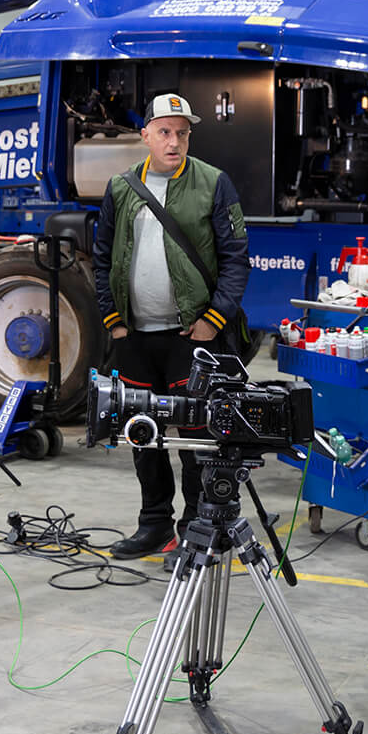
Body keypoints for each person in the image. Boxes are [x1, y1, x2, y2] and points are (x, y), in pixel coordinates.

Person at [93, 92, 251, 560]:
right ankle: (154, 524)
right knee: (145, 432)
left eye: (182, 132)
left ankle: (194, 529)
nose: (174, 141)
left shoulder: (213, 183)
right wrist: (114, 322)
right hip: (136, 339)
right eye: (164, 131)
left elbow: (235, 260)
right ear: (145, 135)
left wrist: (212, 320)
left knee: (195, 437)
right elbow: (102, 258)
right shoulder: (121, 187)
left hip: (192, 339)